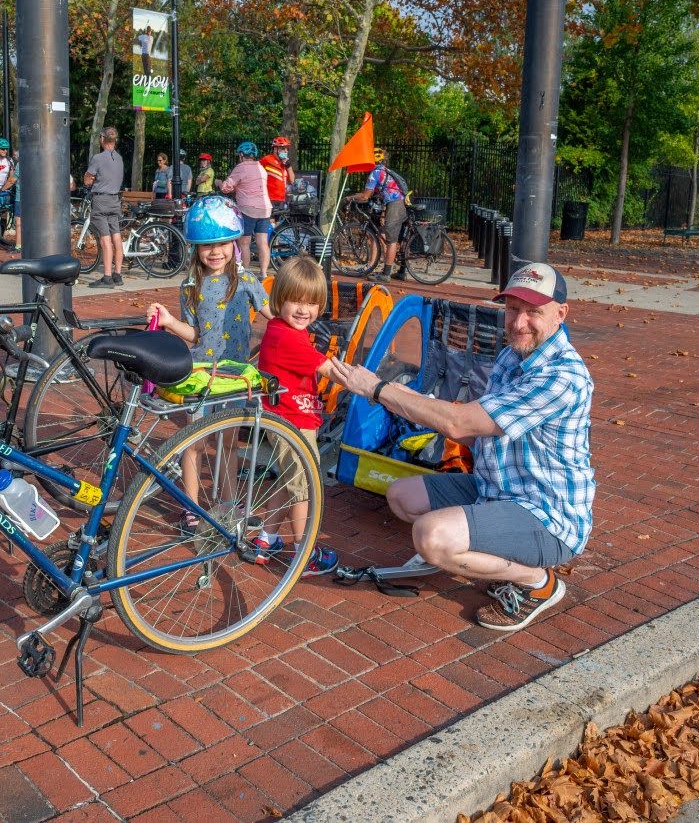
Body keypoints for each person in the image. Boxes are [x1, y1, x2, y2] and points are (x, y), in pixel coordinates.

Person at [329, 262, 594, 632]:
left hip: (546, 514)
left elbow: (459, 423)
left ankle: (537, 582)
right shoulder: (512, 355)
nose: (519, 323)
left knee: (431, 536)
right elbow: (474, 433)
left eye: (534, 312)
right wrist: (398, 394)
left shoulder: (561, 376)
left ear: (560, 314)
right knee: (401, 495)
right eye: (513, 309)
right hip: (496, 490)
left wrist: (377, 390)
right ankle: (477, 547)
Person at [145, 195, 271, 532]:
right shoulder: (190, 285)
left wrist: (295, 324)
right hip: (200, 374)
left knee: (228, 443)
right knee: (194, 442)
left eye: (221, 243)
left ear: (234, 243)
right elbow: (195, 334)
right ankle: (190, 507)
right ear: (195, 248)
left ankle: (227, 503)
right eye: (206, 246)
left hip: (233, 377)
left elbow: (273, 316)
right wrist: (170, 321)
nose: (214, 252)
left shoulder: (246, 282)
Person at [254, 255, 342, 576]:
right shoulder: (286, 337)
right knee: (304, 486)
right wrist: (362, 382)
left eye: (312, 303)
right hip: (293, 423)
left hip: (291, 419)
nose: (304, 310)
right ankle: (305, 552)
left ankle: (267, 538)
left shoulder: (283, 329)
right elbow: (326, 367)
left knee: (291, 480)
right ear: (279, 300)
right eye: (296, 301)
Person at [344, 147, 407, 283]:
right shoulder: (385, 170)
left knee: (391, 240)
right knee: (395, 237)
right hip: (397, 202)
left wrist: (351, 197)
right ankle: (402, 270)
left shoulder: (375, 173)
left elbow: (366, 196)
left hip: (394, 204)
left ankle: (386, 274)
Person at [219, 141, 272, 279]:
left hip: (248, 209)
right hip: (265, 209)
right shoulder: (261, 168)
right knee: (262, 242)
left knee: (244, 242)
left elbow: (226, 187)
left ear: (242, 155)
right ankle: (264, 273)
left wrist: (219, 182)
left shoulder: (241, 167)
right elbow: (250, 186)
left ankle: (245, 272)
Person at [83, 126, 125, 288]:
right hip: (115, 200)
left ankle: (107, 277)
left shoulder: (98, 158)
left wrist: (89, 178)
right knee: (116, 235)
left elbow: (88, 180)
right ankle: (117, 275)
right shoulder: (120, 158)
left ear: (102, 139)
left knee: (105, 239)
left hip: (101, 201)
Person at [261, 136, 295, 211]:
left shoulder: (285, 163)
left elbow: (292, 180)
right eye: (283, 148)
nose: (286, 151)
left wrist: (288, 166)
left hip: (281, 199)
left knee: (277, 222)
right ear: (275, 149)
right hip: (269, 198)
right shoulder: (267, 160)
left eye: (287, 149)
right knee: (270, 222)